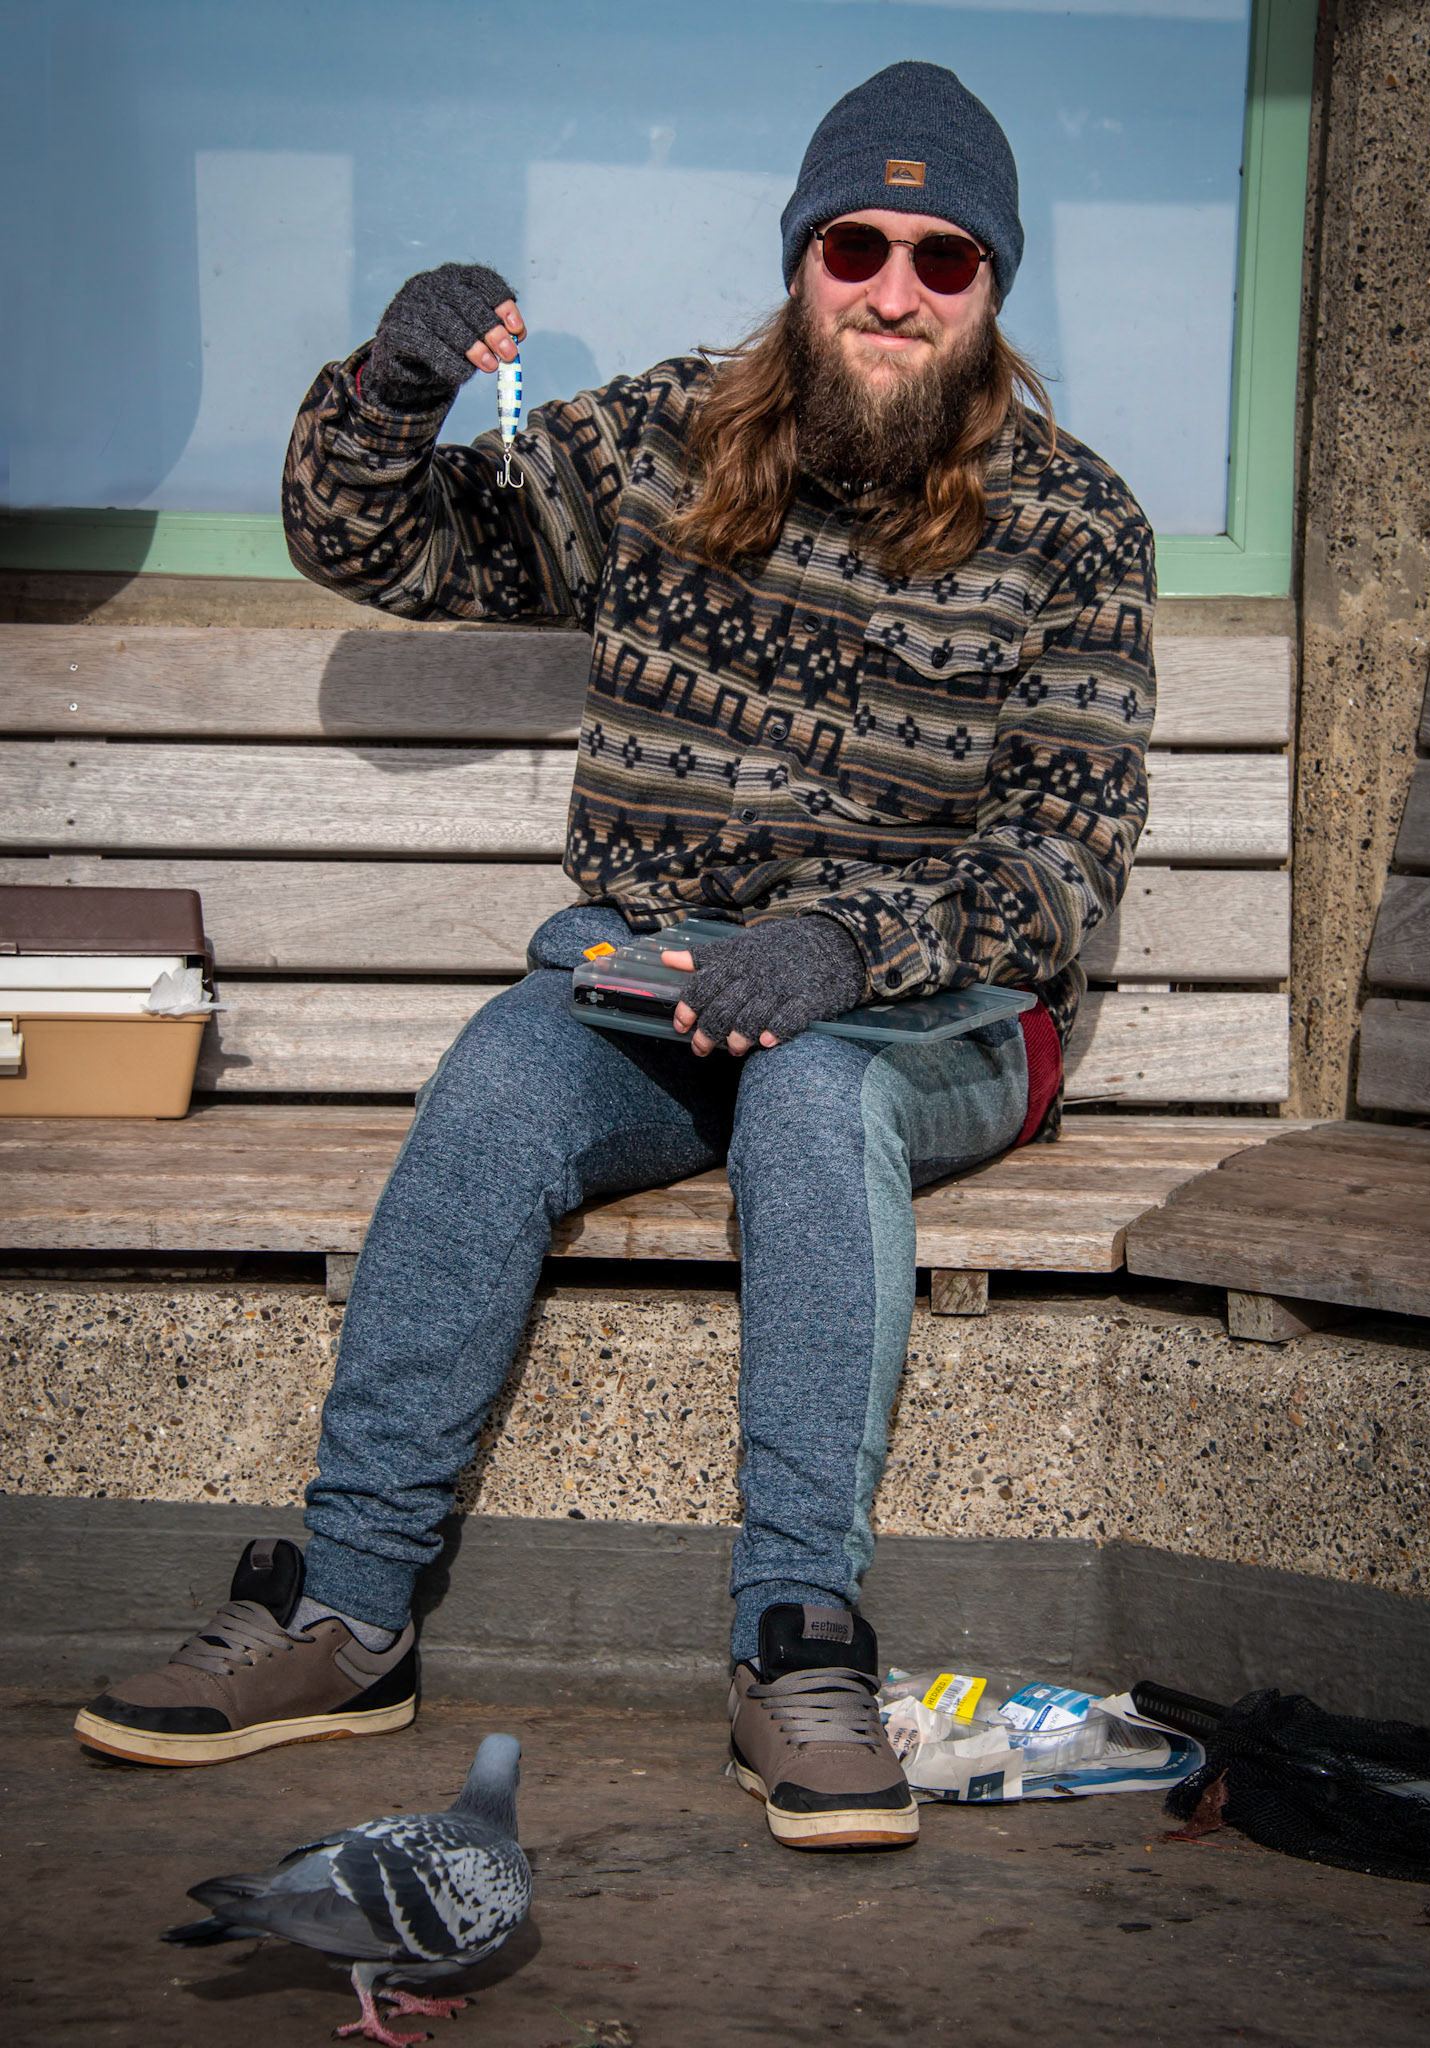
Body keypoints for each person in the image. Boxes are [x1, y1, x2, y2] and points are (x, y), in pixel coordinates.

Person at [75, 62, 1154, 1851]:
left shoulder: (1073, 525)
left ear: (990, 288)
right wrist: (391, 388)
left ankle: (793, 1641)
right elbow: (384, 544)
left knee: (813, 1098)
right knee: (504, 1071)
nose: (893, 288)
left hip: (935, 1011)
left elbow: (1061, 860)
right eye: (856, 245)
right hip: (658, 987)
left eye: (940, 259)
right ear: (803, 256)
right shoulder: (665, 441)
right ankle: (348, 1614)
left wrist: (842, 943)